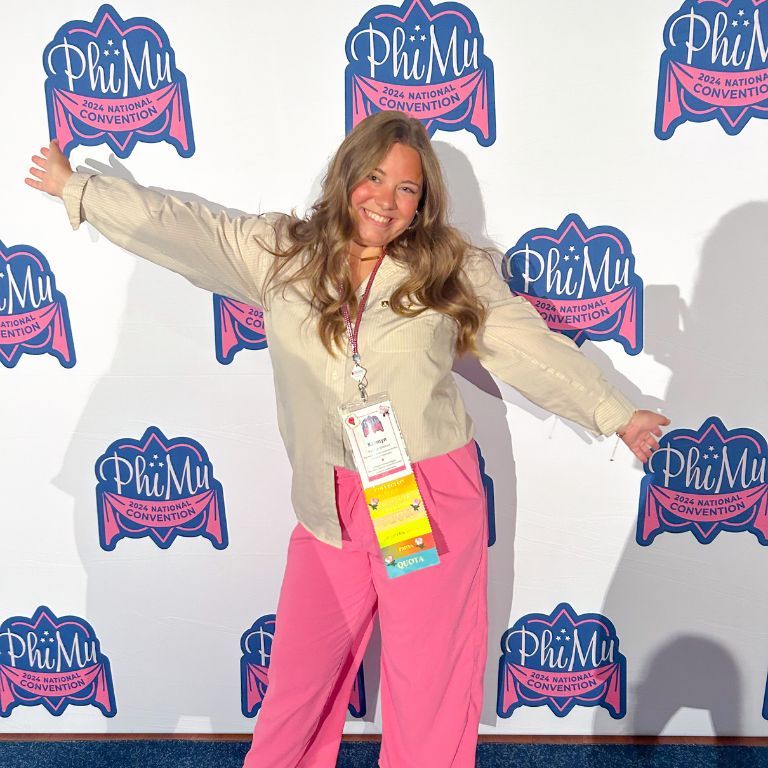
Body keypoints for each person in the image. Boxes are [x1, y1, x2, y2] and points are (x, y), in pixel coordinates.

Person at [26, 111, 669, 768]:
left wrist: (616, 412)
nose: (385, 201)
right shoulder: (282, 254)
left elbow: (523, 343)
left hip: (422, 496)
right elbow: (185, 228)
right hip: (328, 504)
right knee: (298, 689)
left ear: (423, 204)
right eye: (374, 178)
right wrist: (80, 189)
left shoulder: (449, 270)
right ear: (347, 177)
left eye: (406, 189)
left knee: (428, 690)